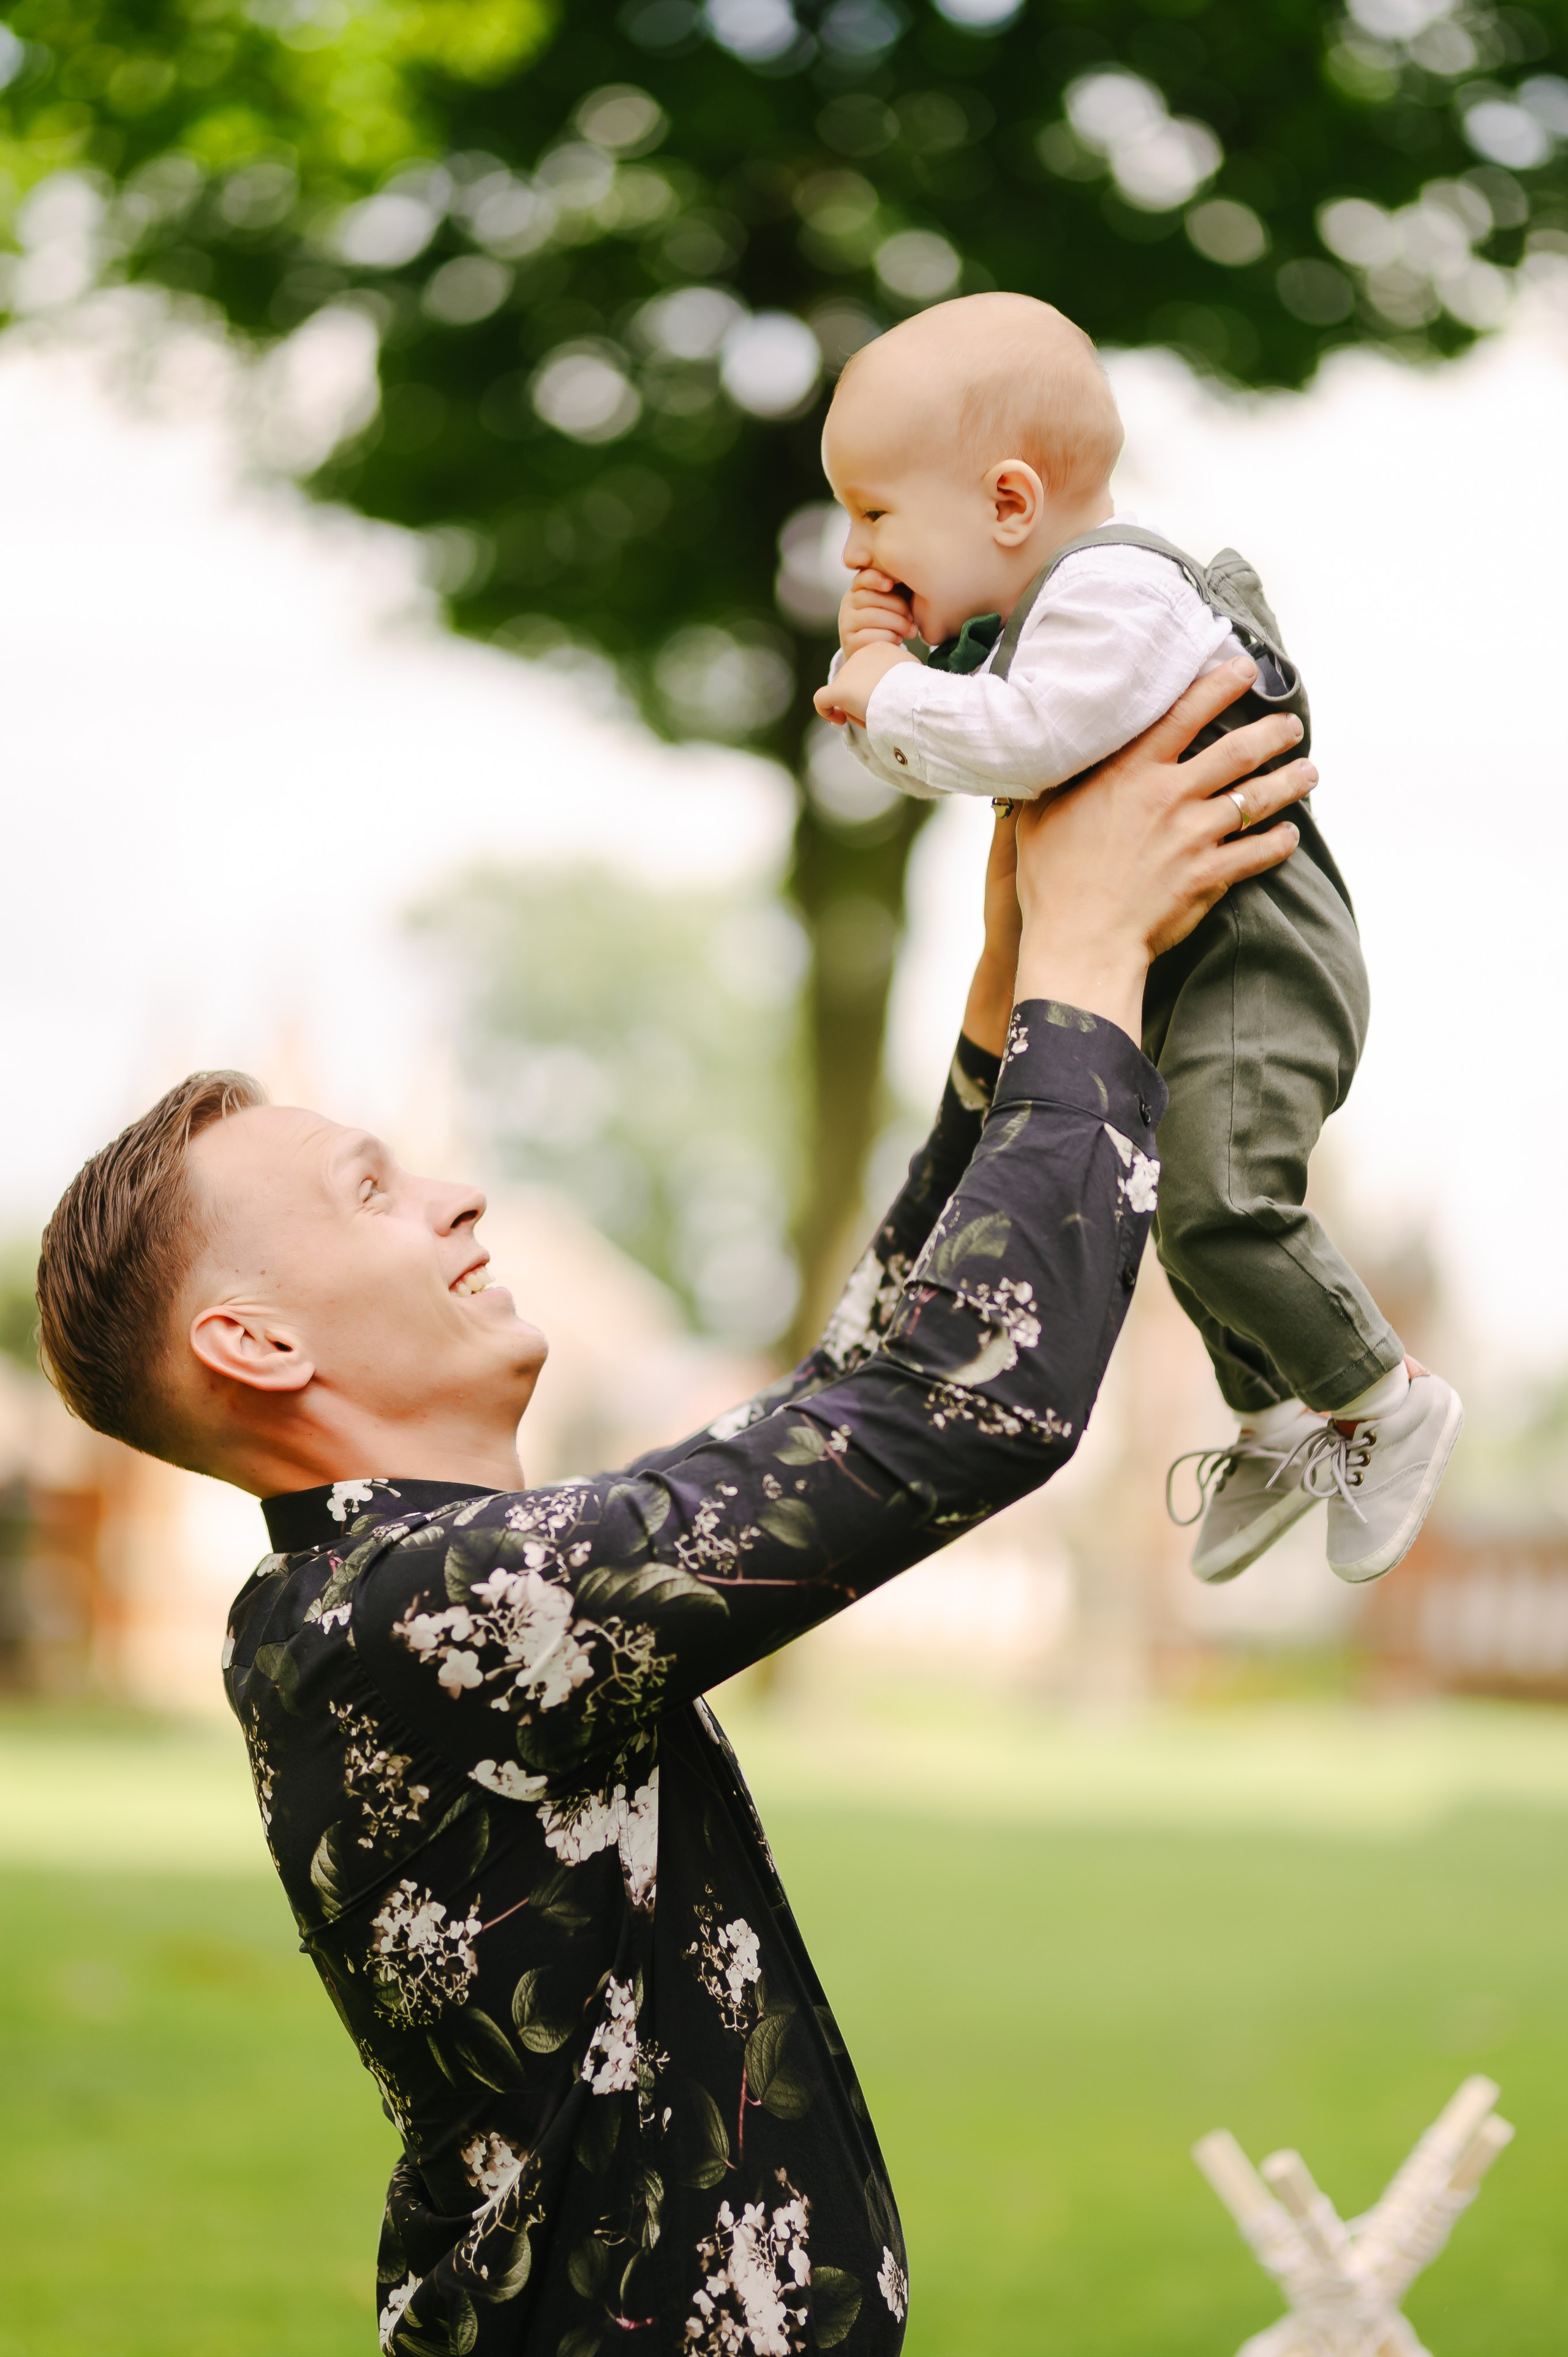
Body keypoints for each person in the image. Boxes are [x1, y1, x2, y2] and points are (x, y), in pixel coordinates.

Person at [35, 670, 1310, 2357]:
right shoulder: (408, 1614)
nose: (459, 1194)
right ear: (257, 1345)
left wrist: (1006, 993)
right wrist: (1092, 967)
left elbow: (844, 1398)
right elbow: (952, 1408)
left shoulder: (408, 1595)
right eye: (371, 1188)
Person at [812, 291, 1461, 1590]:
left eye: (874, 514)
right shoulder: (1038, 624)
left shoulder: (1112, 593)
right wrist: (880, 691)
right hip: (1188, 968)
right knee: (1179, 1214)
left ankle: (1382, 1400)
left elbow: (1021, 743)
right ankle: (1272, 1423)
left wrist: (886, 689)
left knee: (1224, 1202)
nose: (853, 551)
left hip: (1259, 961)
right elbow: (969, 747)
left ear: (1008, 502)